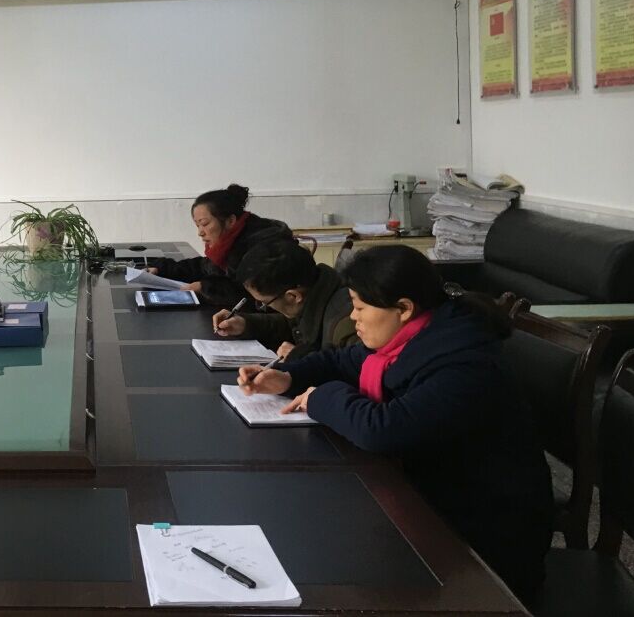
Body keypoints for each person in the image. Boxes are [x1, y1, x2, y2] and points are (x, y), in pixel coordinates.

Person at [235, 245, 551, 601]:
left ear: (403, 308)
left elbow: (383, 429)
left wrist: (321, 396)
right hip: (426, 497)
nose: (352, 316)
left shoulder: (464, 362)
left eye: (359, 307)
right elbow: (341, 360)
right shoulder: (410, 338)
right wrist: (287, 377)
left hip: (482, 537)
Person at [212, 237, 357, 360]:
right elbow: (293, 324)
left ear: (293, 296)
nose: (263, 306)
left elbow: (355, 376)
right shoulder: (315, 289)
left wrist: (300, 358)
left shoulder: (347, 323)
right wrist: (246, 324)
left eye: (264, 302)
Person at [147, 184, 292, 306]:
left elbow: (253, 294)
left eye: (205, 224)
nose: (200, 233)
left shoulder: (265, 249)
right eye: (197, 226)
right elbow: (205, 267)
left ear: (230, 221)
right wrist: (162, 269)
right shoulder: (230, 242)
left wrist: (206, 288)